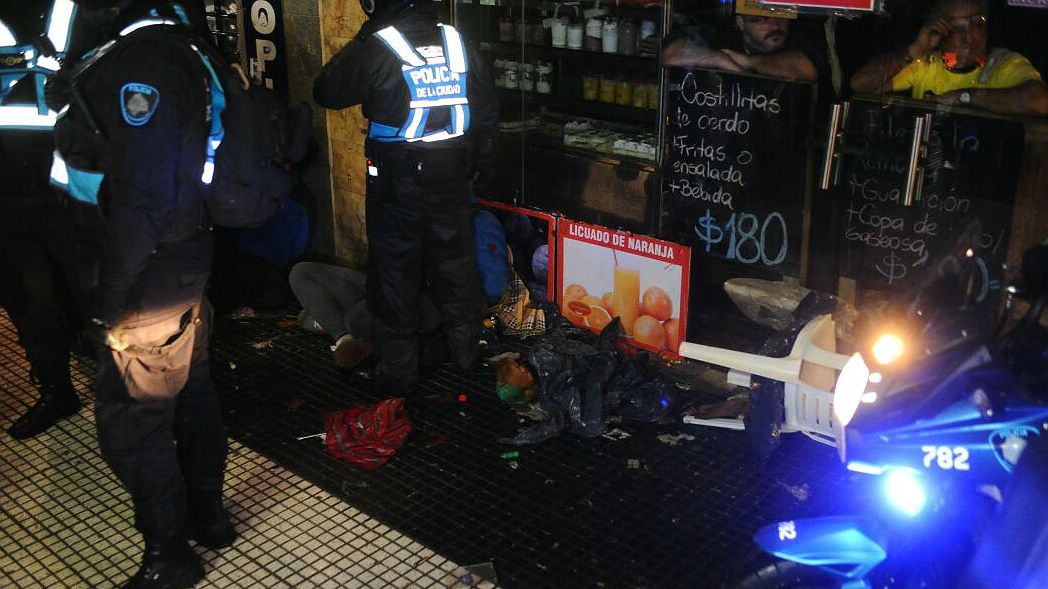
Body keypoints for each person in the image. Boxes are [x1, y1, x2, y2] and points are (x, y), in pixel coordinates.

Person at [52, 1, 235, 587]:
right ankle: (208, 517)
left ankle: (169, 556)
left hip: (151, 274)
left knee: (136, 419)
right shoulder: (189, 49)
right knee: (194, 391)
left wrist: (109, 301)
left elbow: (142, 199)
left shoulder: (144, 66)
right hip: (185, 259)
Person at [313, 0, 497, 391]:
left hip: (397, 180)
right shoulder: (457, 41)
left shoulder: (378, 45)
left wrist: (363, 35)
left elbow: (327, 91)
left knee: (394, 273)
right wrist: (477, 165)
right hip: (451, 174)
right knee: (456, 266)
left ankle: (399, 375)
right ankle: (467, 356)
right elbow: (485, 111)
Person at [0, 1, 90, 441]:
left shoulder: (75, 8)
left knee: (95, 290)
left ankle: (130, 386)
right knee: (28, 301)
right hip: (6, 193)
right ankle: (56, 389)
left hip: (70, 183)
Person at [289, 208, 510, 370]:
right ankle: (343, 337)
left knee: (341, 318)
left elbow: (491, 289)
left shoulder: (476, 224)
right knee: (301, 273)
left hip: (418, 305)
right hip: (385, 289)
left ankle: (344, 329)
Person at [850, 0, 1048, 117]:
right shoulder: (926, 63)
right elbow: (861, 84)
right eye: (956, 28)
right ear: (940, 32)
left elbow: (1040, 102)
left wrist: (963, 97)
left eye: (977, 24)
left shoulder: (1004, 64)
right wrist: (915, 50)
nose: (968, 37)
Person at [661, 11, 821, 82]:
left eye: (780, 16)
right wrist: (719, 59)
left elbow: (806, 70)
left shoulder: (801, 36)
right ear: (741, 23)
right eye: (760, 19)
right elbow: (671, 54)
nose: (774, 25)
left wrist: (746, 62)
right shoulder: (722, 34)